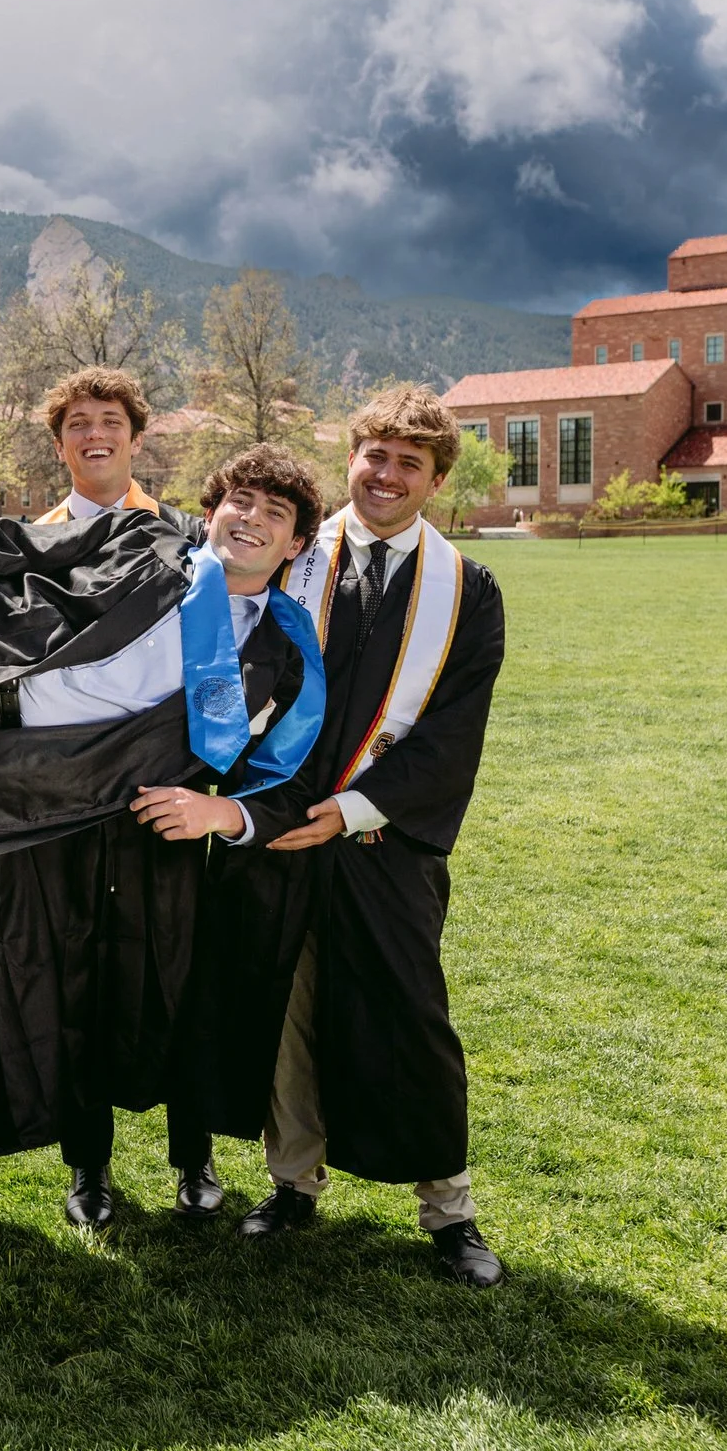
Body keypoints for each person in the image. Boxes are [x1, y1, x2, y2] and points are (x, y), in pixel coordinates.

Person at [0, 443, 327, 1232]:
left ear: (297, 543)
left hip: (152, 823)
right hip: (36, 795)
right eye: (241, 502)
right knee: (27, 975)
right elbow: (23, 543)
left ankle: (191, 1157)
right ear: (210, 512)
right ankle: (75, 1169)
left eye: (276, 514)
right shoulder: (145, 543)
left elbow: (286, 777)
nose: (253, 520)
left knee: (162, 988)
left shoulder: (283, 647)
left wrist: (223, 815)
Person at [215, 384, 511, 1289]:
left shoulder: (468, 589)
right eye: (373, 456)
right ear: (352, 456)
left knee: (412, 1017)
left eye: (408, 464)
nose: (386, 476)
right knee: (288, 1012)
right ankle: (292, 1182)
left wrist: (350, 810)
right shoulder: (295, 559)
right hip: (279, 824)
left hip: (384, 839)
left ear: (436, 477)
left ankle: (448, 1208)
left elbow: (452, 736)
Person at [31, 367, 194, 533]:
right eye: (78, 423)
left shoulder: (185, 537)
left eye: (111, 422)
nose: (95, 434)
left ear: (136, 441)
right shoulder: (35, 543)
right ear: (60, 447)